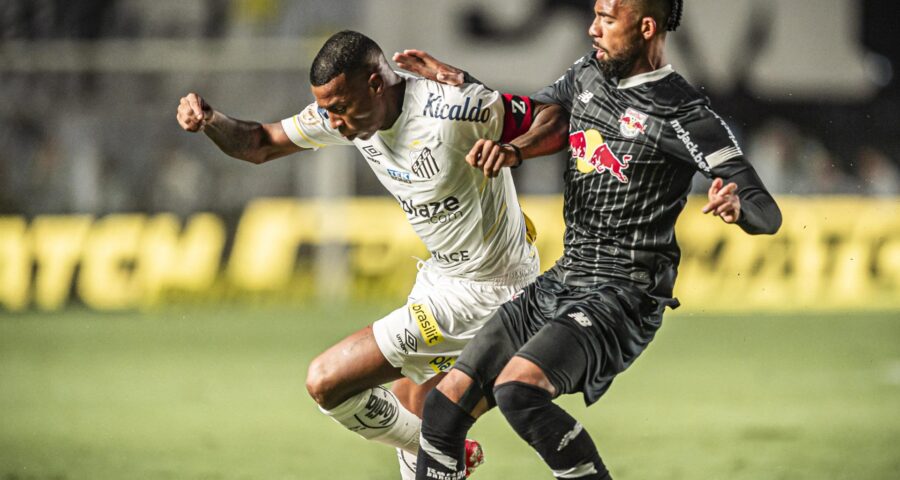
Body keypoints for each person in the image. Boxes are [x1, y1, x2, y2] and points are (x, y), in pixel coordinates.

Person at [394, 1, 783, 479]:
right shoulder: (587, 75)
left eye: (606, 18)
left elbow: (767, 209)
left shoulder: (684, 113)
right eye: (594, 13)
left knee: (519, 389)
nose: (591, 28)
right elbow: (536, 113)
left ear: (644, 28)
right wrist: (466, 87)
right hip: (568, 277)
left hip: (624, 293)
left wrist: (740, 207)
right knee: (442, 407)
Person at [175, 30, 567, 479]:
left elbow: (554, 117)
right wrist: (211, 121)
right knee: (409, 408)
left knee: (327, 381)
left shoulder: (453, 108)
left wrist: (513, 150)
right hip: (443, 278)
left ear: (376, 84)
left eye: (340, 108)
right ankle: (436, 449)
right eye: (326, 110)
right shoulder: (344, 115)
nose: (333, 121)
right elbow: (261, 143)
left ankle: (437, 446)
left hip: (489, 290)